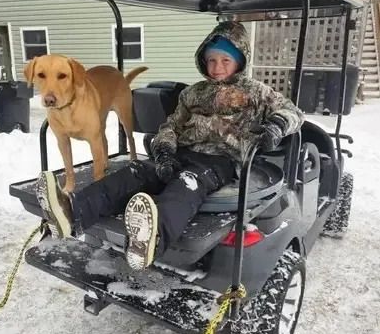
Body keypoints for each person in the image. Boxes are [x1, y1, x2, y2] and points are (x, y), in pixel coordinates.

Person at [35, 20, 304, 271]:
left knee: (185, 185)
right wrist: (163, 150)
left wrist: (277, 125)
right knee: (135, 173)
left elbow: (292, 112)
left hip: (219, 159)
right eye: (211, 60)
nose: (217, 67)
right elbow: (171, 126)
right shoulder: (193, 93)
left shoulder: (256, 92)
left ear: (240, 61)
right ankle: (73, 211)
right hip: (181, 151)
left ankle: (151, 239)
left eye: (225, 60)